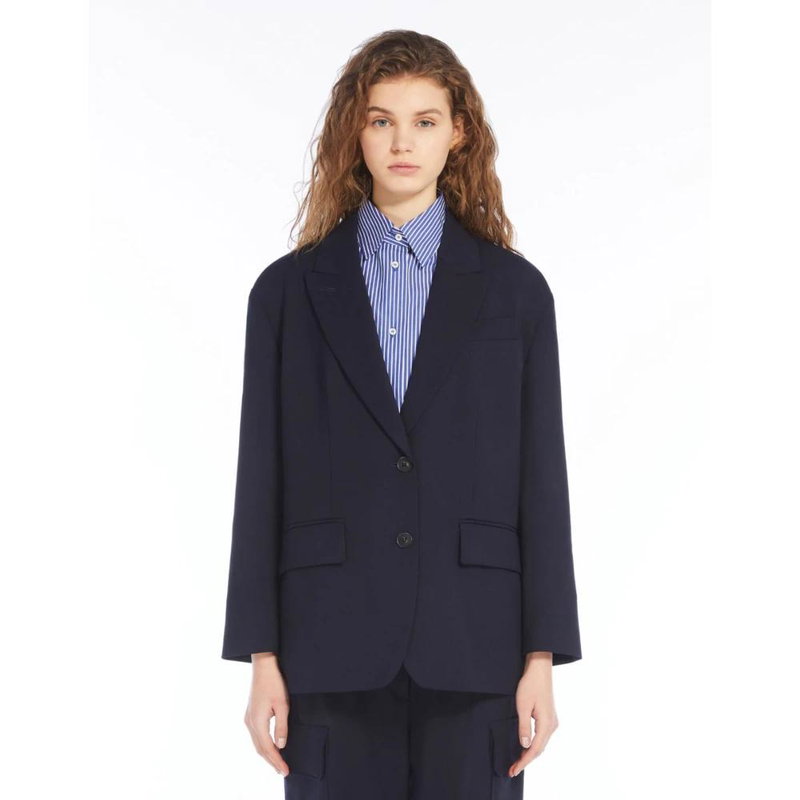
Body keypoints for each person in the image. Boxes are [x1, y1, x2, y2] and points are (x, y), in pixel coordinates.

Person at [221, 28, 582, 799]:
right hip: (328, 646)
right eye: (381, 120)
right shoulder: (286, 294)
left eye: (424, 121)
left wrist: (542, 657)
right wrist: (261, 656)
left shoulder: (515, 294)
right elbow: (262, 478)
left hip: (476, 645)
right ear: (354, 133)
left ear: (459, 133)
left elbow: (541, 479)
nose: (402, 142)